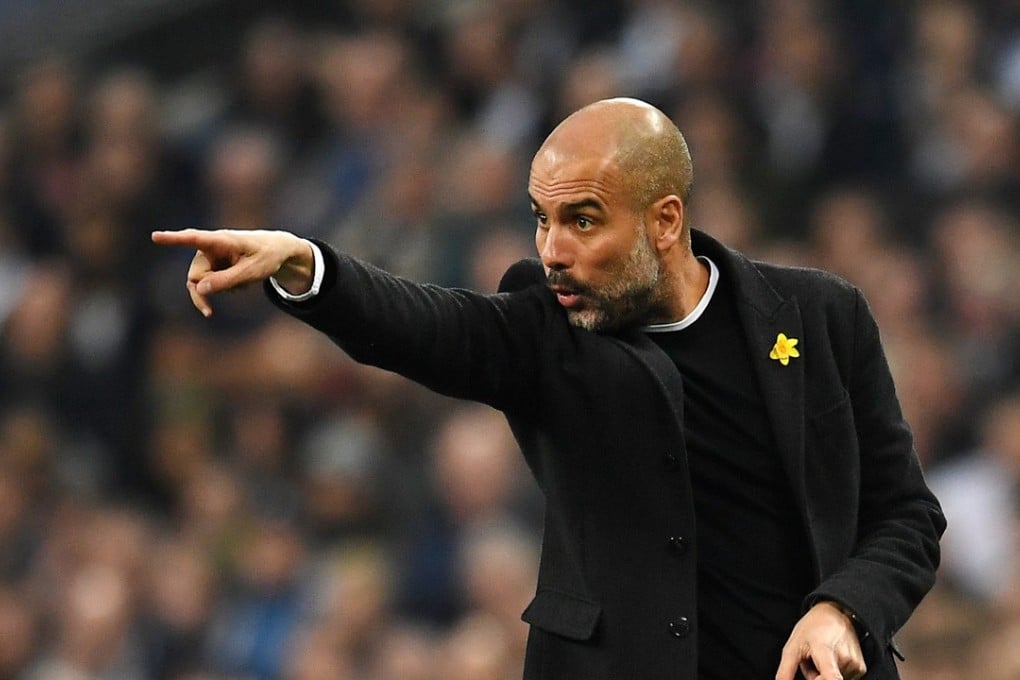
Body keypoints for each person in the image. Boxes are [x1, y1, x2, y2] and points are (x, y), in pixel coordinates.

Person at [153, 98, 945, 680]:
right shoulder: (544, 333)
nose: (553, 249)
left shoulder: (820, 316)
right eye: (541, 218)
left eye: (583, 221)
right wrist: (307, 268)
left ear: (664, 221)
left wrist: (842, 607)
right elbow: (429, 325)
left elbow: (905, 514)